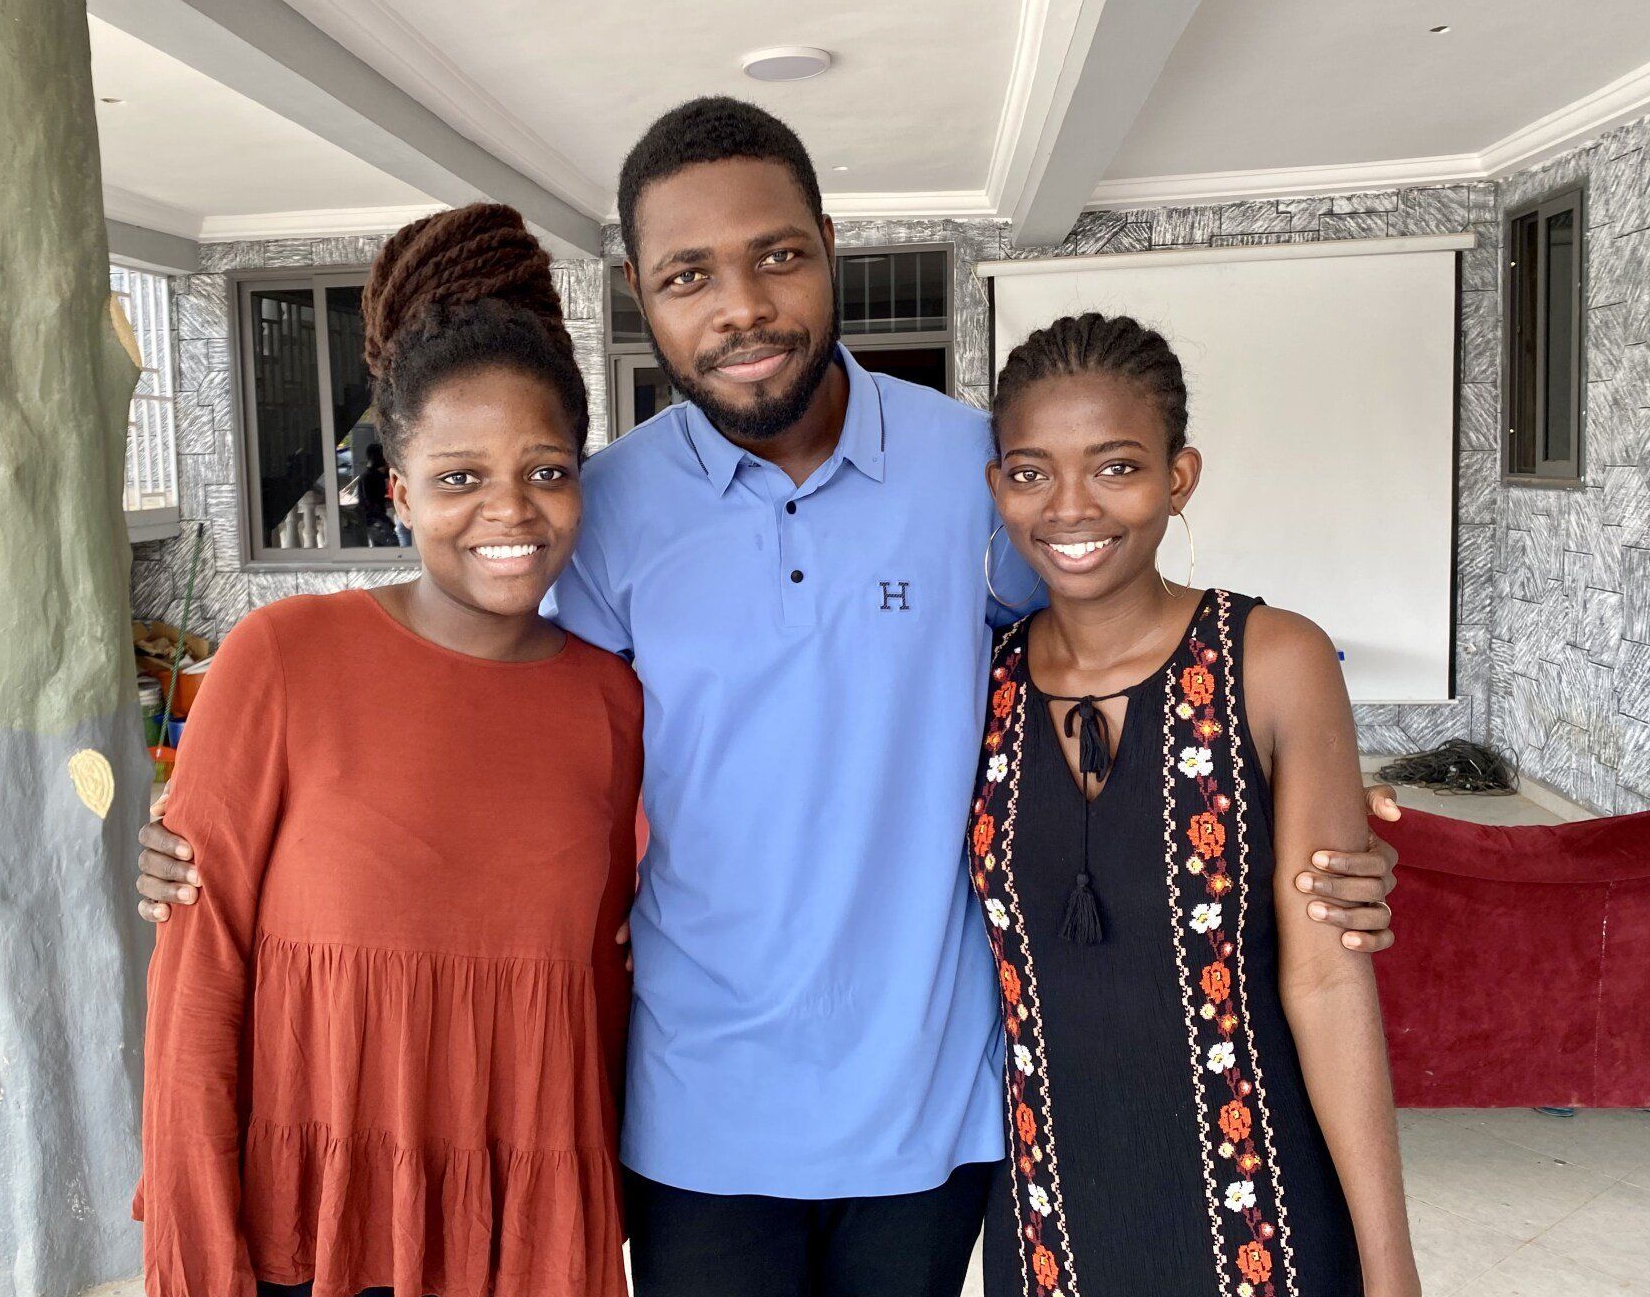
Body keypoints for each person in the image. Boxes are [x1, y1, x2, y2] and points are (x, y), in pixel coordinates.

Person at [137, 98, 1404, 1297]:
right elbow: (501, 721)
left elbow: (1113, 646)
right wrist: (243, 842)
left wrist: (1305, 799)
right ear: (641, 294)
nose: (742, 306)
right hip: (696, 1111)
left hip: (932, 1102)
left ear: (829, 249)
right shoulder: (602, 509)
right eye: (689, 275)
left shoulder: (975, 470)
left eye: (778, 257)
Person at [135, 204, 642, 1297]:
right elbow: (196, 981)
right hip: (308, 1228)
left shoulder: (612, 701)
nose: (510, 511)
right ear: (400, 493)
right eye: (459, 479)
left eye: (545, 471)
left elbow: (602, 984)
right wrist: (194, 1243)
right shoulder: (281, 657)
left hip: (519, 1226)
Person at [972, 313, 1418, 1296]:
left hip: (1261, 1211)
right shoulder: (975, 683)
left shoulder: (1274, 660)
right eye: (1032, 471)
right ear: (998, 484)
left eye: (1117, 466)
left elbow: (1328, 981)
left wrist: (1390, 1267)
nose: (1071, 507)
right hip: (1051, 1223)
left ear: (1180, 477)